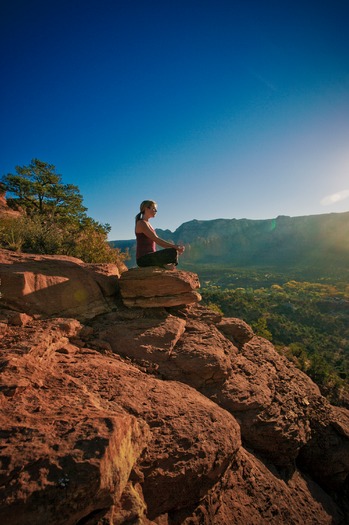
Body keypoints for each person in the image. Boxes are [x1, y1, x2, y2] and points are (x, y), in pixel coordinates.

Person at [135, 200, 185, 269]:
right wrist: (174, 247)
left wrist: (175, 249)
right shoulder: (141, 223)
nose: (156, 211)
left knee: (173, 251)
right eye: (154, 209)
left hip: (150, 257)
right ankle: (163, 265)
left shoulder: (147, 223)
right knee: (172, 251)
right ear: (146, 208)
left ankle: (162, 265)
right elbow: (156, 239)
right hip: (143, 259)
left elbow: (158, 241)